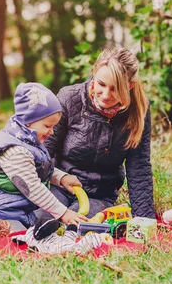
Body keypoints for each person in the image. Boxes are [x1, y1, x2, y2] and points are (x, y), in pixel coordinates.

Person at [33, 47, 155, 239]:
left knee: (80, 228)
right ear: (94, 74)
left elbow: (138, 167)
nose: (106, 94)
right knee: (40, 220)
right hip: (59, 185)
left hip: (99, 194)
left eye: (115, 88)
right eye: (101, 84)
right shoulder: (69, 98)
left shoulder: (138, 111)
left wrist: (145, 221)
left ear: (130, 86)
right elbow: (42, 151)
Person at [0, 82, 87, 232]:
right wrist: (63, 212)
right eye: (47, 126)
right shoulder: (14, 150)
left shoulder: (29, 139)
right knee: (14, 238)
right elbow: (32, 187)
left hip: (18, 208)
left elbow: (38, 168)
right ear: (29, 121)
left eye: (53, 127)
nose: (51, 132)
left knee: (40, 229)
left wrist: (61, 177)